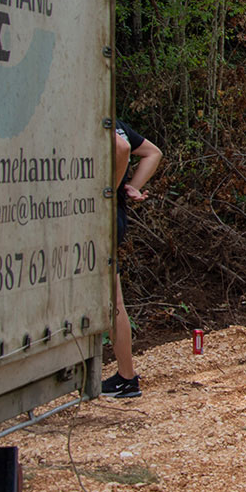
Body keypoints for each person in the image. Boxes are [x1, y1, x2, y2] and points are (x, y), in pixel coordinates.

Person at [100, 120, 162, 398]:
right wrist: (130, 187)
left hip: (98, 216)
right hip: (114, 215)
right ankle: (125, 376)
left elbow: (121, 147)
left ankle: (126, 378)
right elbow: (153, 152)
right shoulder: (116, 121)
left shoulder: (95, 120)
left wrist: (108, 193)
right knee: (112, 298)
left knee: (112, 297)